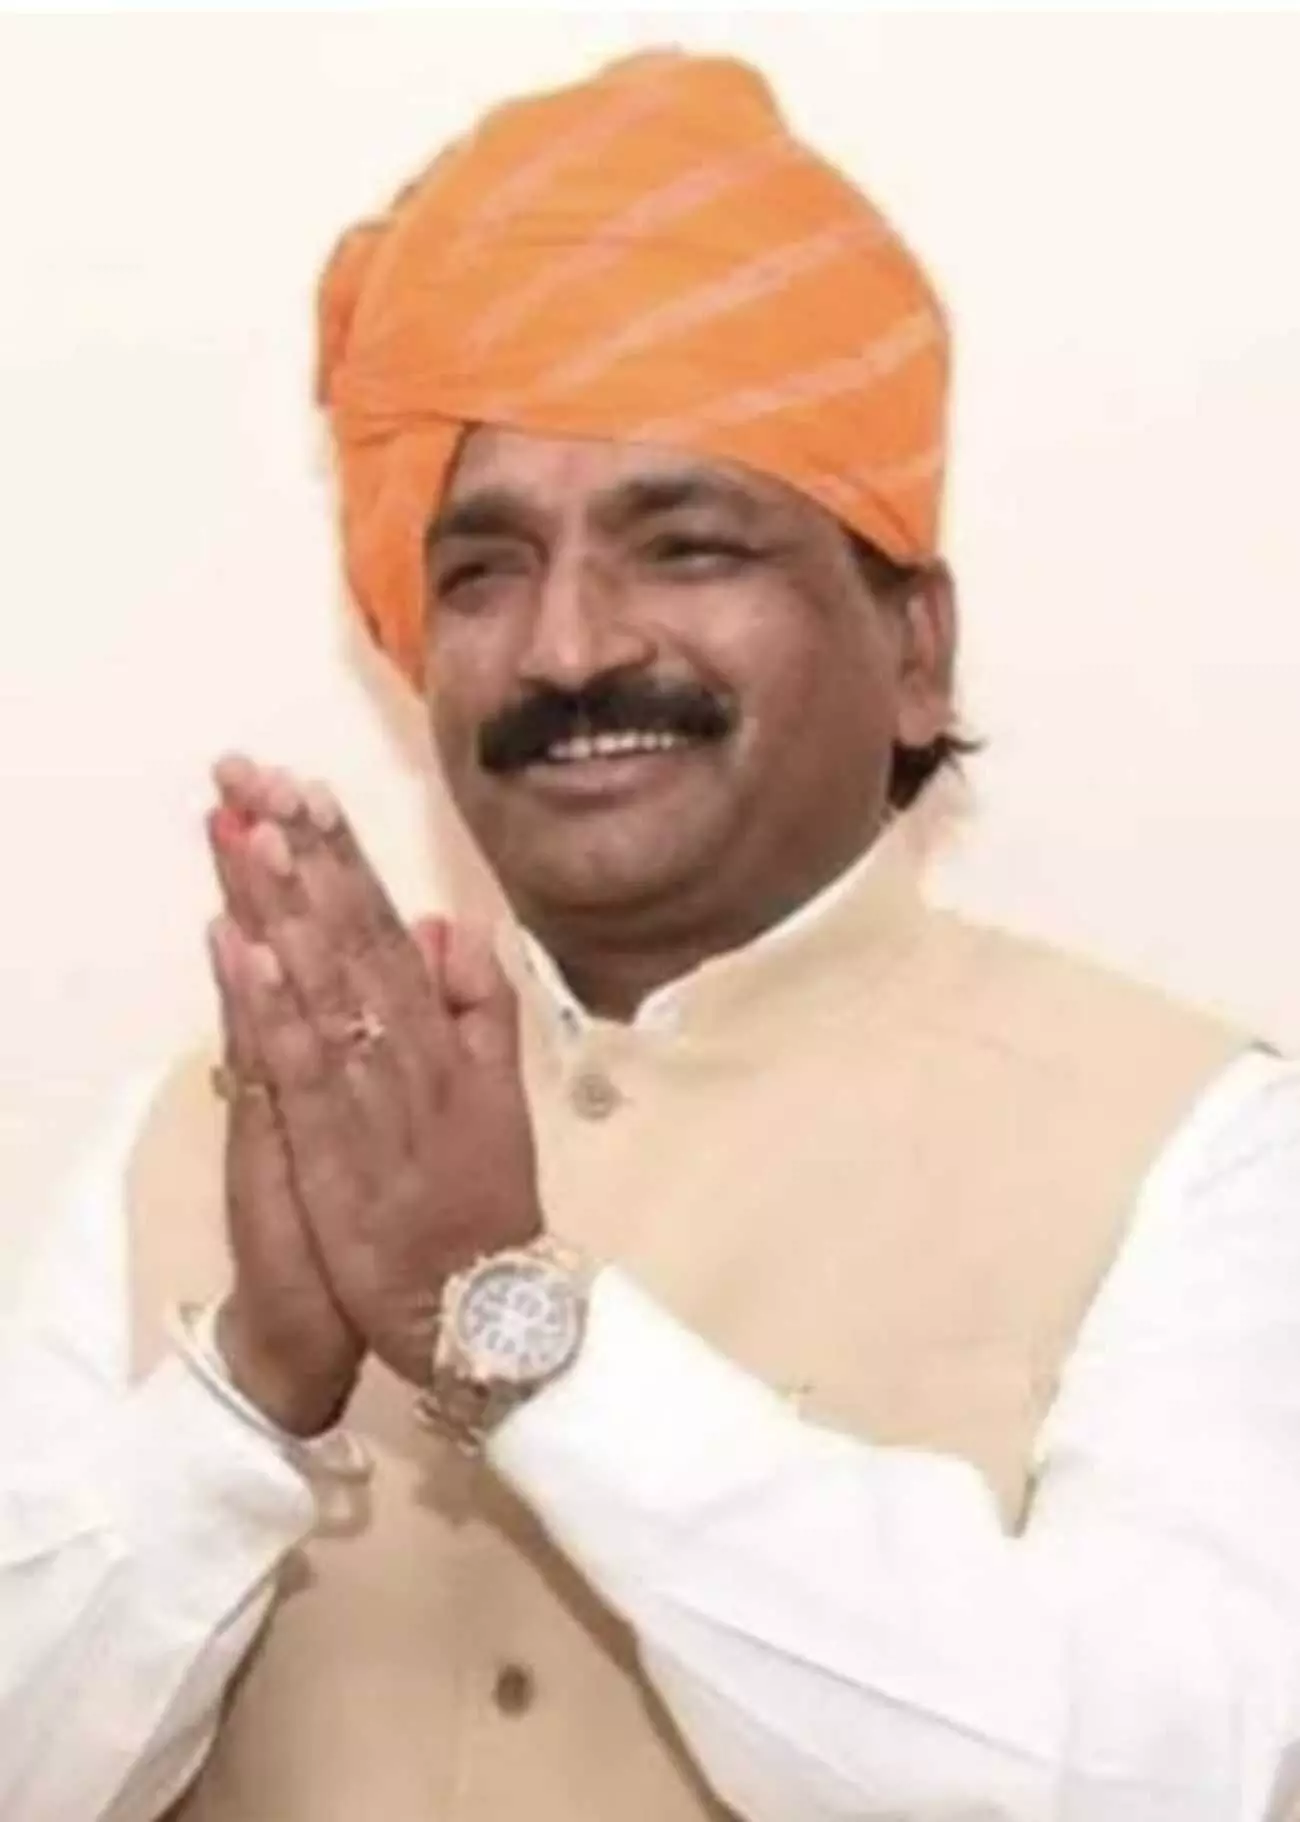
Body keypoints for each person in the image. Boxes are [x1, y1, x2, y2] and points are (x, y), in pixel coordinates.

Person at [2, 45, 1300, 1822]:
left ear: (915, 650)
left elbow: (1161, 1782)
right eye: (483, 571)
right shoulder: (193, 1147)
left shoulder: (1199, 1149)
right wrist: (249, 1390)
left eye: (686, 546)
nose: (566, 646)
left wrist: (521, 1334)